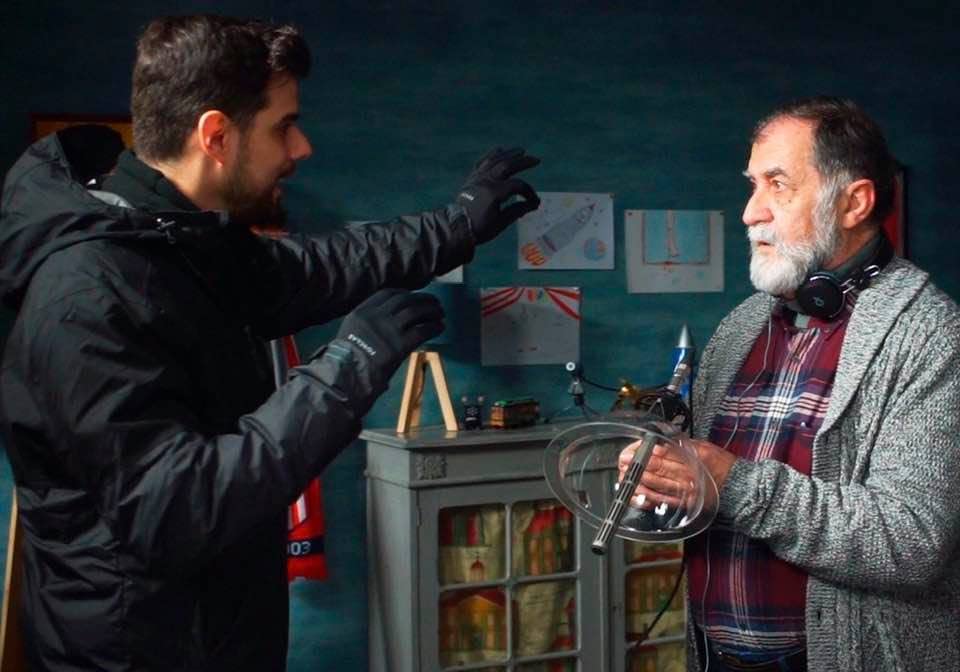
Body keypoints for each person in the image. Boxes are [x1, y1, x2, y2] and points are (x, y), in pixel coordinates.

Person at [0, 14, 539, 672]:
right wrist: (351, 364)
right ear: (216, 136)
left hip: (218, 634)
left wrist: (456, 225)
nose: (301, 147)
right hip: (142, 654)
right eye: (284, 125)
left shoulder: (178, 240)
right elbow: (177, 511)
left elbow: (315, 269)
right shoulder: (85, 294)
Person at [622, 97, 960, 672]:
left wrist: (732, 482)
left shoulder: (931, 334)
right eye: (752, 185)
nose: (750, 212)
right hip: (714, 653)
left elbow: (912, 541)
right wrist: (665, 476)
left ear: (853, 203)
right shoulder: (741, 326)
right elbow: (706, 486)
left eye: (777, 185)